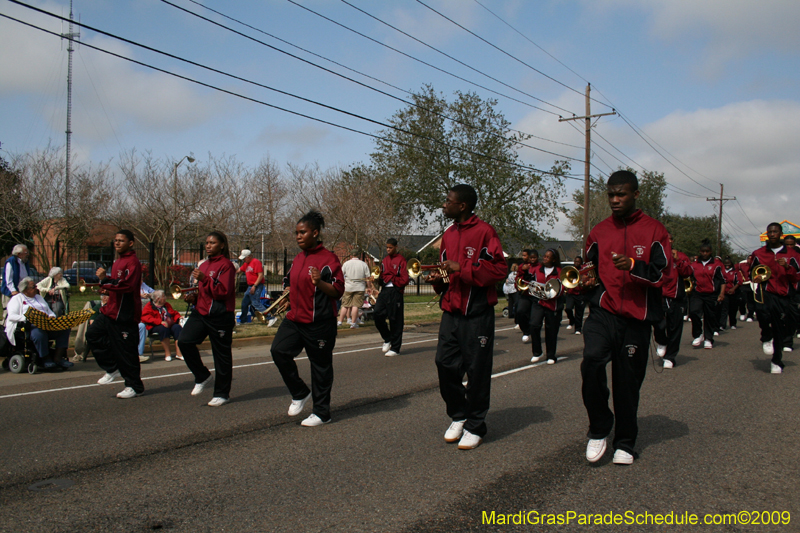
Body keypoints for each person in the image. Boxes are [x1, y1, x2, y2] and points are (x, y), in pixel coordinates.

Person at [581, 170, 671, 466]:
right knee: (592, 361)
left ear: (636, 194)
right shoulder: (599, 231)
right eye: (611, 195)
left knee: (627, 384)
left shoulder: (655, 231)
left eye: (621, 194)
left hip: (637, 317)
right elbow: (589, 271)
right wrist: (579, 285)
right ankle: (599, 427)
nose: (615, 200)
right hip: (603, 313)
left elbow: (662, 274)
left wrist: (633, 264)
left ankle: (625, 442)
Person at [428, 184, 506, 451]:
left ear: (462, 206)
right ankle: (459, 414)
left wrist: (462, 268)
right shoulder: (448, 235)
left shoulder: (485, 232)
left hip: (477, 315)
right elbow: (447, 273)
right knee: (444, 363)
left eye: (448, 201)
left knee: (477, 371)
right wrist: (439, 280)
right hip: (452, 311)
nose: (444, 204)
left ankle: (475, 425)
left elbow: (498, 270)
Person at [271, 211, 344, 426]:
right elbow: (292, 284)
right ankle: (300, 392)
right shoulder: (298, 258)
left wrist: (319, 282)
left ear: (315, 232)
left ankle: (322, 413)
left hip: (320, 323)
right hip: (295, 319)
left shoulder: (329, 259)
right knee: (278, 351)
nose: (298, 236)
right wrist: (288, 298)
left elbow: (338, 291)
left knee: (320, 368)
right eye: (296, 233)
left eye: (302, 232)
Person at [177, 232, 236, 406]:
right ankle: (202, 375)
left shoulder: (227, 266)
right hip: (200, 312)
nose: (208, 245)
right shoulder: (203, 265)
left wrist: (205, 279)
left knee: (221, 356)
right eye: (207, 242)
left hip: (220, 315)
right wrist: (193, 297)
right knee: (184, 341)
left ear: (222, 245)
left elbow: (223, 292)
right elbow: (202, 290)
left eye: (212, 242)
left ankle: (222, 393)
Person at [85, 230, 144, 399]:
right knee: (92, 334)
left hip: (125, 315)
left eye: (121, 240)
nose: (117, 243)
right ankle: (112, 368)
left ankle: (134, 386)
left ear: (130, 243)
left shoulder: (133, 262)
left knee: (127, 352)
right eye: (115, 240)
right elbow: (116, 281)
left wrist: (105, 281)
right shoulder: (118, 261)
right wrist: (106, 282)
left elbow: (127, 286)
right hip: (110, 311)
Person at [749, 223, 800, 374]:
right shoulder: (758, 253)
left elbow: (797, 276)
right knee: (761, 311)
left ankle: (776, 361)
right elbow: (752, 271)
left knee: (779, 328)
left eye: (775, 232)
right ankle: (765, 336)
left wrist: (787, 267)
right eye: (770, 232)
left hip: (784, 294)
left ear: (781, 234)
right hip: (766, 290)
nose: (772, 234)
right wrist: (756, 277)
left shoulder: (792, 254)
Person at [4, 277, 73, 369]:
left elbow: (49, 311)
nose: (36, 288)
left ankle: (58, 358)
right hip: (29, 326)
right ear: (25, 290)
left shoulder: (39, 297)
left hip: (46, 323)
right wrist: (29, 318)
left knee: (64, 328)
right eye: (33, 287)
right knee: (39, 333)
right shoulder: (16, 299)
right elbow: (12, 316)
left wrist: (52, 317)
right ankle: (45, 359)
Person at [654, 233, 693, 368]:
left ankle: (670, 357)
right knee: (658, 324)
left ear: (672, 240)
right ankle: (662, 341)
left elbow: (688, 272)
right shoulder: (655, 255)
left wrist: (678, 261)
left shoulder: (681, 256)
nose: (667, 241)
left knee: (675, 328)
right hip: (659, 296)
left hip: (676, 298)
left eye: (669, 239)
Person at [373, 238, 409, 357]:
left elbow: (404, 279)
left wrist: (392, 278)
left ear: (396, 247)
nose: (388, 249)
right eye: (387, 247)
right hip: (384, 291)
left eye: (390, 247)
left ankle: (396, 348)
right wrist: (377, 279)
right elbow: (381, 275)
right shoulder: (384, 260)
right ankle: (387, 338)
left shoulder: (401, 260)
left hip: (395, 291)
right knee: (377, 313)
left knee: (395, 320)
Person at [688, 240, 725, 349]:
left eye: (707, 251)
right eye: (703, 251)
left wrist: (722, 294)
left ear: (710, 252)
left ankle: (708, 338)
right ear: (700, 251)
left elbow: (723, 281)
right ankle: (698, 335)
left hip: (711, 294)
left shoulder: (717, 264)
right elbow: (689, 277)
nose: (705, 253)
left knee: (710, 316)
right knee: (693, 313)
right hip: (697, 293)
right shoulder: (694, 265)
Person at [528, 249, 563, 365]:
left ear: (553, 259)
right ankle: (537, 352)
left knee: (551, 331)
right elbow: (531, 282)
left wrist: (554, 294)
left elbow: (562, 287)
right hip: (539, 302)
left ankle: (551, 355)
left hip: (553, 305)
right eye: (545, 256)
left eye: (548, 257)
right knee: (534, 325)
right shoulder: (537, 270)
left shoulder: (559, 271)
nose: (545, 258)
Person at [141, 290, 184, 362]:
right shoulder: (149, 306)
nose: (166, 298)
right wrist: (160, 322)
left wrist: (178, 317)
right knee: (164, 329)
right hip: (155, 326)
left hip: (168, 324)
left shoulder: (166, 305)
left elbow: (173, 313)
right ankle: (168, 354)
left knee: (177, 328)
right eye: (164, 296)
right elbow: (145, 318)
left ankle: (179, 353)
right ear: (158, 299)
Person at [338, 249, 373, 328]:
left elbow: (340, 275)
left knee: (345, 305)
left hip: (348, 287)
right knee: (355, 305)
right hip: (359, 287)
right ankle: (353, 323)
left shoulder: (346, 264)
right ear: (359, 255)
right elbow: (368, 277)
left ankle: (340, 321)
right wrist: (369, 287)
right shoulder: (363, 264)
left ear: (351, 255)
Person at [237, 249, 268, 324]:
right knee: (244, 303)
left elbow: (260, 276)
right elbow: (238, 270)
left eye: (244, 258)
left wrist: (254, 286)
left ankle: (270, 317)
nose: (243, 260)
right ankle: (243, 320)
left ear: (249, 256)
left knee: (255, 302)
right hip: (250, 286)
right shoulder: (246, 264)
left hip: (257, 285)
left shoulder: (256, 262)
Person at [515, 249, 540, 342]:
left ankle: (533, 332)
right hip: (525, 294)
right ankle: (526, 331)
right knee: (520, 311)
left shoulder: (540, 267)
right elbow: (517, 278)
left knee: (534, 317)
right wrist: (517, 286)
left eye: (534, 257)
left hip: (536, 295)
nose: (532, 259)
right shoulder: (522, 266)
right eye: (530, 257)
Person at [2, 244, 30, 323]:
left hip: (22, 292)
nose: (28, 254)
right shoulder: (11, 262)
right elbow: (8, 280)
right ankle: (5, 331)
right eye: (26, 252)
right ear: (19, 254)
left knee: (21, 312)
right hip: (10, 292)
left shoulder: (25, 262)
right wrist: (13, 291)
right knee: (9, 312)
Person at [782, 235, 800, 348]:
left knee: (792, 315)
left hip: (795, 289)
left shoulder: (798, 256)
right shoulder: (779, 255)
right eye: (787, 244)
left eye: (791, 244)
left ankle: (788, 341)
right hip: (781, 289)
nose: (789, 247)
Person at [564, 256, 588, 335]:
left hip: (580, 294)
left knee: (579, 313)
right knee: (568, 308)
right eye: (575, 261)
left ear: (581, 263)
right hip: (571, 293)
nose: (576, 263)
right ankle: (572, 320)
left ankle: (578, 329)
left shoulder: (583, 271)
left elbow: (586, 280)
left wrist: (583, 279)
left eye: (578, 262)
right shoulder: (571, 270)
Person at [720, 257, 742, 331]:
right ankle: (722, 325)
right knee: (723, 309)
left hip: (733, 293)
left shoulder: (736, 272)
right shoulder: (721, 271)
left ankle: (733, 324)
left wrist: (733, 289)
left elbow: (739, 281)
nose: (727, 265)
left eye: (728, 263)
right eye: (725, 263)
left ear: (731, 264)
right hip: (724, 293)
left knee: (733, 309)